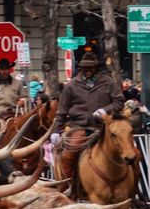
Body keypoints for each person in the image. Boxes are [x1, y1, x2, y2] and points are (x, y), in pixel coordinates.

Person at [51, 52, 125, 180]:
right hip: (79, 126)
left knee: (129, 152)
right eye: (85, 67)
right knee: (68, 155)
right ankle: (66, 186)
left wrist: (105, 111)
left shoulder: (108, 82)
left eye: (90, 67)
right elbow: (62, 111)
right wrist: (55, 131)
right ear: (81, 68)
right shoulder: (71, 85)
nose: (88, 70)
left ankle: (133, 189)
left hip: (104, 126)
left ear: (96, 67)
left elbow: (119, 102)